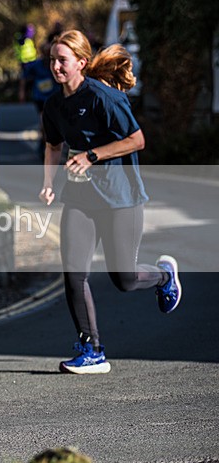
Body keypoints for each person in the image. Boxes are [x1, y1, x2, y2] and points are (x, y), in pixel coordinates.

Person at [39, 30, 182, 374]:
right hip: (80, 199)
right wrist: (48, 183)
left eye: (62, 60)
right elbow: (53, 145)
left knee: (125, 279)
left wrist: (92, 155)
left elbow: (136, 140)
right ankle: (93, 349)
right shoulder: (54, 105)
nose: (56, 66)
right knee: (74, 272)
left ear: (81, 63)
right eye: (53, 60)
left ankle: (164, 276)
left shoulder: (104, 98)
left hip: (121, 199)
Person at [18, 42, 61, 157]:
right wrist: (22, 92)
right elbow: (24, 78)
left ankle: (50, 143)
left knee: (55, 123)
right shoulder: (36, 65)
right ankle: (44, 144)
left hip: (54, 98)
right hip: (41, 98)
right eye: (45, 53)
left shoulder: (56, 65)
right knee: (44, 123)